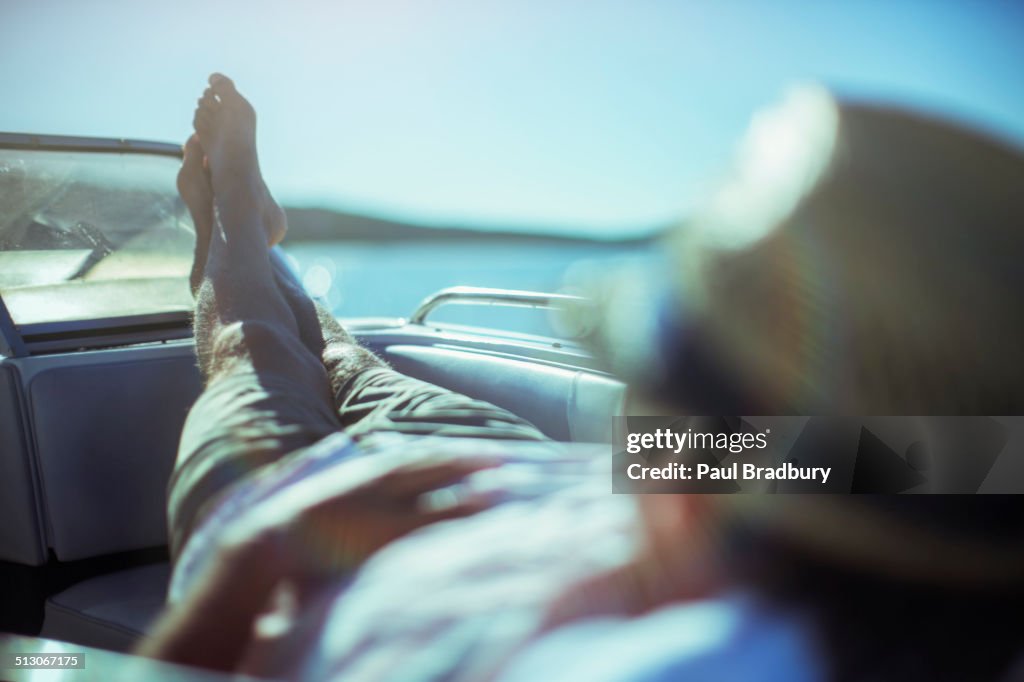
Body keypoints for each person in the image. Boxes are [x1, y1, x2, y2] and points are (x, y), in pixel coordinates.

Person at [138, 76, 1024, 682]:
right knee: (346, 362)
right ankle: (258, 240)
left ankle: (237, 235)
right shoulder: (944, 508)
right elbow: (941, 455)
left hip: (304, 536)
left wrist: (252, 564)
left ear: (682, 488)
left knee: (250, 354)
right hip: (511, 476)